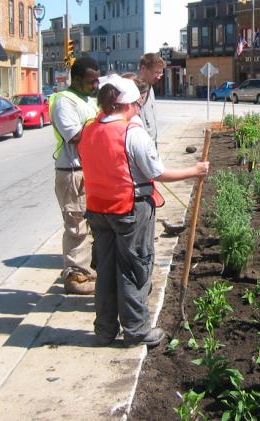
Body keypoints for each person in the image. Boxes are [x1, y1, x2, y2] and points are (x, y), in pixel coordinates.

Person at [78, 74, 210, 347]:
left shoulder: (90, 129)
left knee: (105, 269)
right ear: (126, 104)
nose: (139, 108)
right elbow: (156, 172)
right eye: (137, 105)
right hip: (129, 208)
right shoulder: (131, 133)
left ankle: (104, 330)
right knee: (133, 268)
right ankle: (137, 330)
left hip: (98, 210)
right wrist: (194, 170)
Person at [49, 56, 100, 295]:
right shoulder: (64, 102)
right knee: (76, 225)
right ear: (77, 79)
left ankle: (86, 270)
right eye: (91, 81)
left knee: (90, 225)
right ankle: (75, 276)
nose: (95, 85)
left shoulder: (87, 99)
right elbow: (77, 135)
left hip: (88, 169)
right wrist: (105, 128)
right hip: (72, 171)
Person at [138, 53, 165, 149]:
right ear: (143, 69)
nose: (159, 77)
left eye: (161, 73)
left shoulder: (150, 89)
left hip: (151, 149)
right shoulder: (134, 93)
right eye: (156, 73)